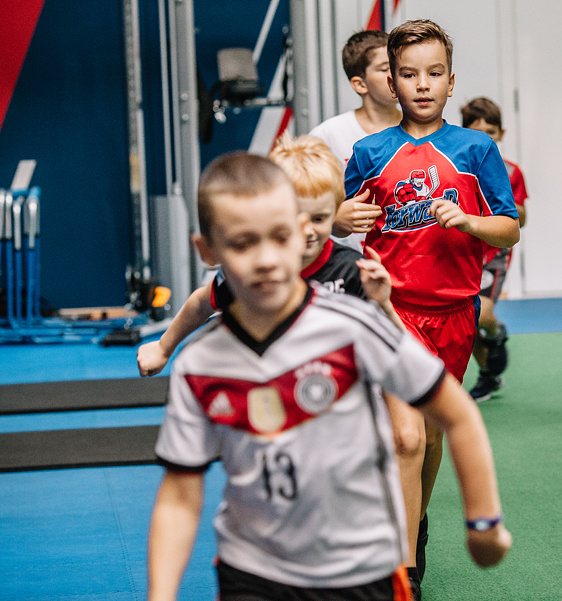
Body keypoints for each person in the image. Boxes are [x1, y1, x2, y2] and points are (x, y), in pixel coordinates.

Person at [146, 151, 511, 601]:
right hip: (252, 569)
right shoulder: (199, 365)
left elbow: (456, 412)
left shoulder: (352, 325)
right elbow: (181, 494)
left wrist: (483, 523)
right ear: (208, 250)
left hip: (361, 566)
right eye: (242, 243)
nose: (264, 259)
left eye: (280, 237)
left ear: (302, 231)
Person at [343, 18, 520, 596]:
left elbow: (508, 229)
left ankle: (414, 526)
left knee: (432, 436)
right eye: (409, 74)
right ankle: (403, 573)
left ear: (450, 81)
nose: (422, 85)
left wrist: (470, 221)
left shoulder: (475, 148)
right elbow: (330, 217)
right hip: (389, 313)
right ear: (390, 82)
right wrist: (341, 218)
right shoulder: (369, 152)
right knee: (405, 438)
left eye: (434, 73)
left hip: (454, 314)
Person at [135, 133, 400, 376]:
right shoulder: (257, 270)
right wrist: (162, 348)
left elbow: (397, 346)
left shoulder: (351, 270)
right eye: (296, 218)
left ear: (335, 213)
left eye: (319, 218)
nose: (307, 230)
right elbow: (202, 303)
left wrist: (385, 305)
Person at [460, 97, 529, 402]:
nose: (486, 137)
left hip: (495, 252)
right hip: (465, 250)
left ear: (500, 134)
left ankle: (496, 331)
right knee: (466, 318)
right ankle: (489, 374)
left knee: (481, 312)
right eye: (478, 131)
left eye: (491, 131)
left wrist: (502, 207)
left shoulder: (511, 172)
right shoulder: (459, 168)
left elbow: (521, 217)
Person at [309, 29, 401, 253]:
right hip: (348, 268)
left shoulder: (426, 129)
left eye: (399, 65)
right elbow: (296, 205)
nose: (397, 73)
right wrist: (333, 218)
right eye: (385, 68)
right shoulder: (327, 136)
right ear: (360, 84)